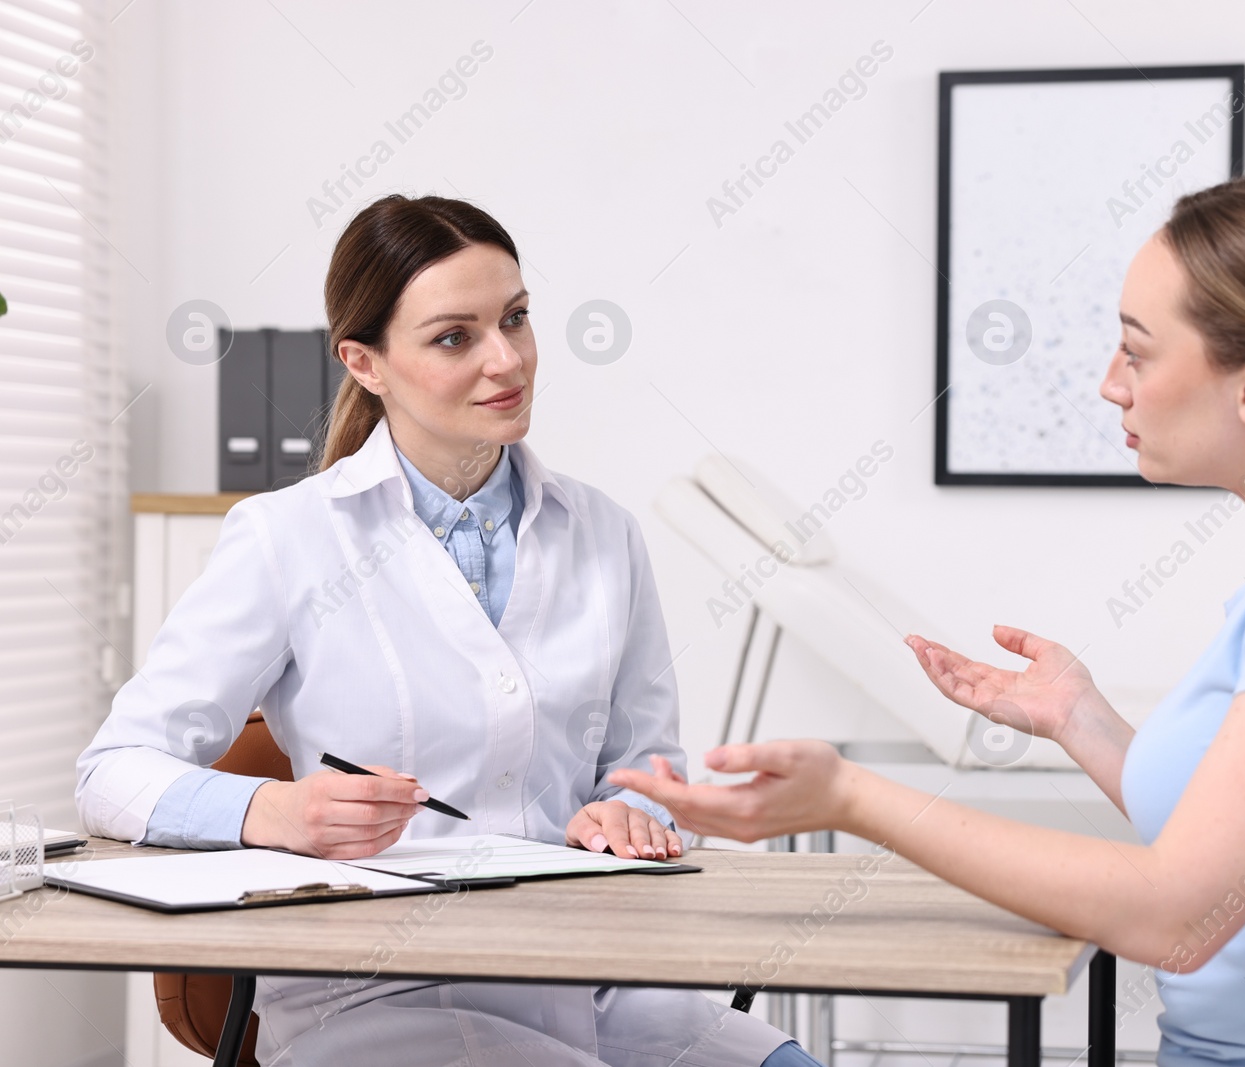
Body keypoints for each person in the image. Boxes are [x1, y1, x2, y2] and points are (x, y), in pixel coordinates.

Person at [611, 168, 1245, 1066]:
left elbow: (1180, 914)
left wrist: (854, 800)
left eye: (1137, 350)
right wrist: (1083, 718)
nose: (1111, 382)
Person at [76, 194, 821, 1067]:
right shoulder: (288, 537)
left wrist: (634, 811)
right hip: (375, 991)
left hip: (594, 978)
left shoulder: (603, 532)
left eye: (516, 319)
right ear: (366, 362)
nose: (507, 360)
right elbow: (111, 772)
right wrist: (272, 808)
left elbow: (649, 769)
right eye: (454, 336)